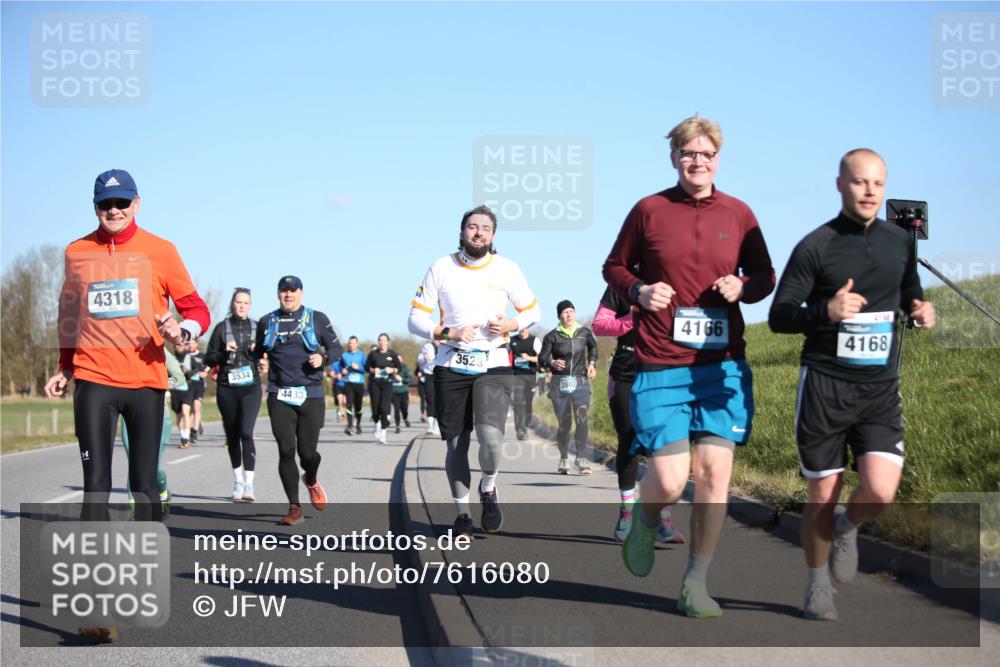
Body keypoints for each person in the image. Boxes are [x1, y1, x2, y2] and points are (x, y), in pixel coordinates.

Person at [603, 115, 775, 618]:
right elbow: (613, 266)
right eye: (688, 153)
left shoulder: (740, 213)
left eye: (706, 153)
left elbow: (764, 274)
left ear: (718, 158)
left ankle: (695, 583)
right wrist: (638, 289)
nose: (697, 161)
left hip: (721, 367)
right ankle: (647, 515)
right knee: (674, 479)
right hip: (660, 364)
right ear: (674, 157)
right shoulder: (649, 210)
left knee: (715, 475)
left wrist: (744, 287)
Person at [768, 148, 935, 621]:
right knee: (823, 492)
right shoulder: (815, 245)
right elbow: (780, 317)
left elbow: (909, 286)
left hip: (879, 386)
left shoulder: (900, 241)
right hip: (824, 383)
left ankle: (848, 526)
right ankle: (818, 585)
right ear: (841, 185)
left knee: (880, 492)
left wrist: (919, 308)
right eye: (860, 182)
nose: (869, 191)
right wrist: (826, 311)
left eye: (877, 184)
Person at [45, 169, 210, 519]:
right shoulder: (77, 252)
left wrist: (181, 332)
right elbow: (68, 314)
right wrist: (65, 366)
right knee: (96, 487)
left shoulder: (161, 250)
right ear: (95, 208)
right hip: (94, 380)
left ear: (137, 204)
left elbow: (197, 309)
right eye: (106, 204)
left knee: (144, 484)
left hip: (146, 381)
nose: (114, 210)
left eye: (122, 202)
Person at [408, 205, 540, 536]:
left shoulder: (507, 269)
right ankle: (463, 513)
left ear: (493, 235)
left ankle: (489, 486)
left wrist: (511, 322)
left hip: (493, 362)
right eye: (472, 226)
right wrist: (446, 332)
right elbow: (415, 318)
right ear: (462, 231)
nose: (478, 232)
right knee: (456, 446)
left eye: (485, 228)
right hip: (451, 363)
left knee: (492, 440)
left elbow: (532, 310)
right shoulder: (440, 268)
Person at [593, 285, 685, 544]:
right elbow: (600, 325)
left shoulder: (677, 280)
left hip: (664, 375)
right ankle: (627, 513)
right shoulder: (623, 284)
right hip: (626, 375)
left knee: (663, 447)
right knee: (630, 441)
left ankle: (661, 519)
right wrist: (632, 318)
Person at [254, 275, 343, 525]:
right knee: (285, 450)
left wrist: (323, 358)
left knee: (308, 453)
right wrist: (259, 362)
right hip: (279, 394)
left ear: (301, 293)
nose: (288, 295)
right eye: (284, 291)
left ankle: (311, 479)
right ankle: (294, 507)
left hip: (311, 395)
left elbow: (337, 349)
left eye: (293, 291)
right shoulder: (267, 321)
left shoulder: (317, 318)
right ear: (278, 294)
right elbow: (256, 354)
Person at [204, 287, 262, 502]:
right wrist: (223, 352)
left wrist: (261, 357)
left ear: (250, 305)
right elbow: (209, 359)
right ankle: (237, 481)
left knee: (246, 433)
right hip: (227, 387)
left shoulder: (258, 328)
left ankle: (249, 485)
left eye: (246, 303)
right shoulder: (221, 329)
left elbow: (267, 357)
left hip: (251, 387)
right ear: (232, 304)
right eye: (238, 302)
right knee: (232, 435)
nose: (242, 306)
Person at [120, 348, 187, 513]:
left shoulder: (158, 347)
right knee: (134, 462)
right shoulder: (121, 349)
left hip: (158, 415)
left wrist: (157, 386)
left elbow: (179, 377)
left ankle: (161, 486)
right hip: (129, 415)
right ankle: (135, 509)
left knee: (151, 466)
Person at [539, 301, 598, 473]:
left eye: (571, 311)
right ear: (559, 316)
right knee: (565, 423)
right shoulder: (552, 336)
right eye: (565, 312)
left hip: (580, 383)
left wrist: (592, 363)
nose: (569, 315)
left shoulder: (584, 332)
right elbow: (543, 357)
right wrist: (552, 361)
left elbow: (593, 348)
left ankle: (580, 458)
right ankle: (564, 458)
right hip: (560, 384)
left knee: (582, 418)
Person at [365, 333, 400, 444]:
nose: (382, 342)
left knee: (384, 408)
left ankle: (383, 433)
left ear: (387, 341)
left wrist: (392, 370)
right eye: (380, 340)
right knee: (375, 408)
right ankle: (377, 424)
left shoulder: (392, 354)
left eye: (384, 340)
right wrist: (372, 370)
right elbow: (366, 367)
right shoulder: (373, 354)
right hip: (374, 383)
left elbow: (398, 366)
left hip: (387, 383)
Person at [509, 326, 541, 440]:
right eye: (521, 328)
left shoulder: (534, 340)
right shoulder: (512, 340)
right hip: (516, 375)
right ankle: (520, 428)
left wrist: (529, 358)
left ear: (529, 328)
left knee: (528, 403)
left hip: (530, 376)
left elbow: (542, 358)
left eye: (525, 327)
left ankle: (525, 425)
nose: (523, 330)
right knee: (518, 402)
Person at [340, 336, 367, 435]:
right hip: (348, 383)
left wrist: (358, 367)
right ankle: (350, 426)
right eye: (350, 343)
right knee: (349, 404)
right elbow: (341, 367)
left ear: (357, 344)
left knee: (358, 406)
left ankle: (358, 425)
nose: (351, 345)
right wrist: (342, 371)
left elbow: (366, 369)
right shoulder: (344, 355)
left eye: (353, 343)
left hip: (359, 383)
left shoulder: (362, 355)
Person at [171, 340, 196, 447]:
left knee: (186, 412)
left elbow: (196, 371)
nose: (180, 346)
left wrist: (188, 373)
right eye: (178, 344)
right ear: (174, 345)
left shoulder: (190, 358)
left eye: (183, 344)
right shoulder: (170, 358)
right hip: (175, 390)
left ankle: (186, 437)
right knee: (179, 415)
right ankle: (183, 437)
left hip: (187, 389)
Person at [417, 340, 440, 436]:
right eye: (434, 338)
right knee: (430, 399)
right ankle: (430, 425)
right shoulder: (427, 346)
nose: (436, 340)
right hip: (429, 374)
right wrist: (424, 359)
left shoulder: (445, 345)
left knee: (440, 399)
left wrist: (434, 358)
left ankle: (437, 424)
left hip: (441, 374)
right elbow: (419, 361)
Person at [186, 339, 207, 443]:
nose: (190, 345)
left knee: (196, 407)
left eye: (193, 343)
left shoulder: (202, 356)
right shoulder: (185, 356)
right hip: (187, 385)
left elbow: (208, 367)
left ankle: (194, 432)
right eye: (189, 343)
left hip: (199, 384)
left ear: (197, 344)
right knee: (187, 410)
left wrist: (205, 372)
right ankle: (191, 428)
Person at [391, 361, 414, 433]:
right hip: (394, 392)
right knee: (396, 409)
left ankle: (405, 418)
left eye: (399, 359)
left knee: (404, 409)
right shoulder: (391, 369)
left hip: (403, 392)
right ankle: (397, 426)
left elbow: (410, 379)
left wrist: (401, 379)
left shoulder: (405, 368)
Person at [328, 357, 348, 423]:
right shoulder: (335, 364)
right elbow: (331, 374)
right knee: (340, 400)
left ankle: (344, 415)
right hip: (337, 384)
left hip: (346, 384)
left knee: (345, 402)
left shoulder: (347, 363)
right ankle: (341, 416)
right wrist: (336, 376)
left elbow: (351, 372)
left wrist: (345, 373)